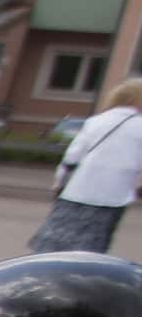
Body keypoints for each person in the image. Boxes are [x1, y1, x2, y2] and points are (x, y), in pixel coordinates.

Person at [35, 75, 142, 253]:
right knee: (92, 247)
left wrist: (59, 184)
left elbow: (71, 159)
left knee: (55, 242)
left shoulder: (95, 121)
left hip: (77, 191)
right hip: (114, 196)